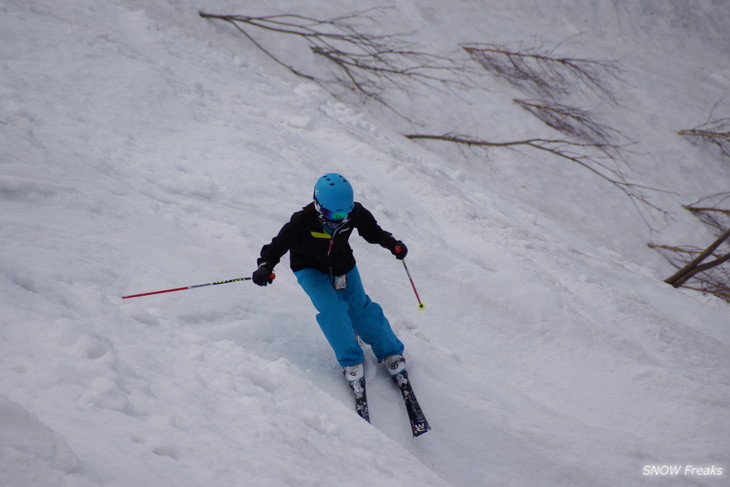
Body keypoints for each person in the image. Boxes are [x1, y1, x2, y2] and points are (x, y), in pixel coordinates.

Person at [252, 173, 408, 385]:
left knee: (360, 308)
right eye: (333, 215)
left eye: (344, 214)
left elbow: (372, 231)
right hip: (310, 269)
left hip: (343, 264)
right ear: (318, 206)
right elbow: (274, 248)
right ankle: (351, 360)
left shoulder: (354, 213)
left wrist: (392, 244)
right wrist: (264, 267)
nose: (339, 220)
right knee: (333, 310)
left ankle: (390, 351)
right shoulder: (301, 222)